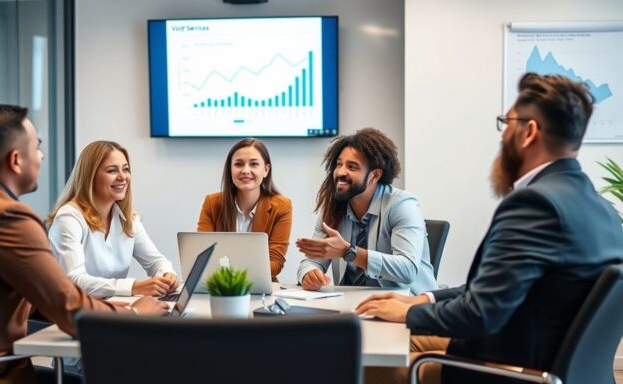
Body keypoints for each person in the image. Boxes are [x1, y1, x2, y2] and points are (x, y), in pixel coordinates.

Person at [356, 73, 623, 384]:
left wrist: (407, 314)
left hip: (512, 372)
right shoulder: (601, 209)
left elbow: (480, 314)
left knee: (369, 362)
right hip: (550, 362)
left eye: (506, 123)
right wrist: (422, 300)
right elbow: (494, 289)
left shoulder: (536, 204)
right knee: (394, 335)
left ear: (528, 132)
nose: (502, 135)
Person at [0, 105, 169, 384]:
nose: (41, 156)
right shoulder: (7, 218)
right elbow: (70, 309)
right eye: (37, 147)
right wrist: (135, 312)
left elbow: (42, 296)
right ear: (16, 160)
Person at [296, 128, 437, 294]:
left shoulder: (402, 205)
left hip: (408, 306)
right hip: (352, 305)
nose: (341, 172)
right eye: (339, 164)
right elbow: (313, 261)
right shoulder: (333, 206)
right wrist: (308, 274)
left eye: (352, 167)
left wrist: (348, 252)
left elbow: (407, 269)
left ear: (375, 176)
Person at [47, 141, 179, 297]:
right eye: (112, 171)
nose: (122, 177)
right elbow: (73, 280)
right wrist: (133, 287)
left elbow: (156, 262)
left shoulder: (127, 218)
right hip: (74, 314)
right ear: (90, 176)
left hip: (111, 309)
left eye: (126, 169)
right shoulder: (69, 218)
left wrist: (167, 276)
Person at [198, 138, 292, 281]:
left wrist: (230, 267)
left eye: (254, 164)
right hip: (219, 285)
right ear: (230, 170)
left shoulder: (282, 206)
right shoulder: (212, 203)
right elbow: (203, 255)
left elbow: (275, 263)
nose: (245, 170)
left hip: (259, 286)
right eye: (238, 164)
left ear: (266, 170)